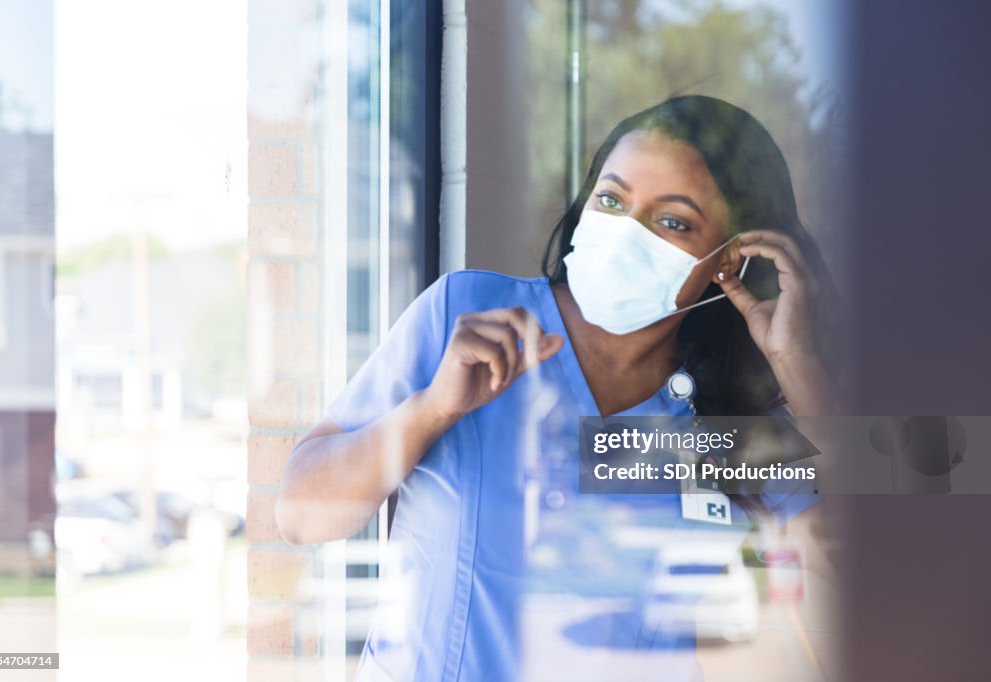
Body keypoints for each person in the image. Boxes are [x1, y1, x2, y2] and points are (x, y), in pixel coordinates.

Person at [276, 95, 839, 680]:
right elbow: (301, 516)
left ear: (730, 262)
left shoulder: (732, 420)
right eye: (612, 199)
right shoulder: (464, 314)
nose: (626, 233)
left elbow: (875, 572)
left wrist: (796, 366)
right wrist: (431, 412)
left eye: (672, 221)